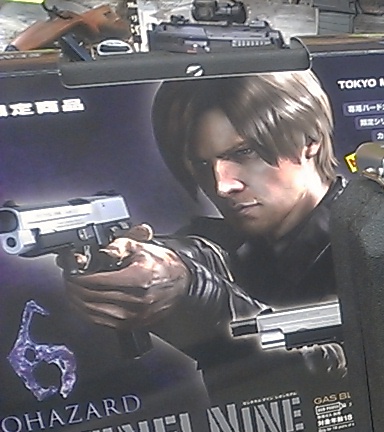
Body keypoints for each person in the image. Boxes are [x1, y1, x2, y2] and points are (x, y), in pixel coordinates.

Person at [62, 70, 345, 377]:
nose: (222, 186)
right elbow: (199, 252)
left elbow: (331, 368)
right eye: (201, 164)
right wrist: (138, 262)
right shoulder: (236, 245)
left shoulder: (370, 243)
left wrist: (195, 292)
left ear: (309, 140)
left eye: (244, 153)